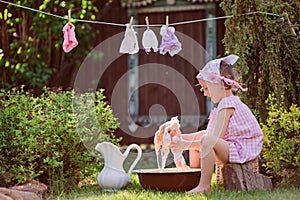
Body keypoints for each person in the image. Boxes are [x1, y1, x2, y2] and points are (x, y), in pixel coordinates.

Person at [170, 55, 263, 194]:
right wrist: (182, 137)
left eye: (206, 88)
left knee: (205, 141)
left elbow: (214, 140)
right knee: (202, 139)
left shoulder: (228, 104)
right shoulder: (225, 103)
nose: (205, 94)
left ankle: (204, 186)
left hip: (242, 150)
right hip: (232, 146)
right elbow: (208, 136)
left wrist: (185, 144)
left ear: (218, 85)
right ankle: (194, 181)